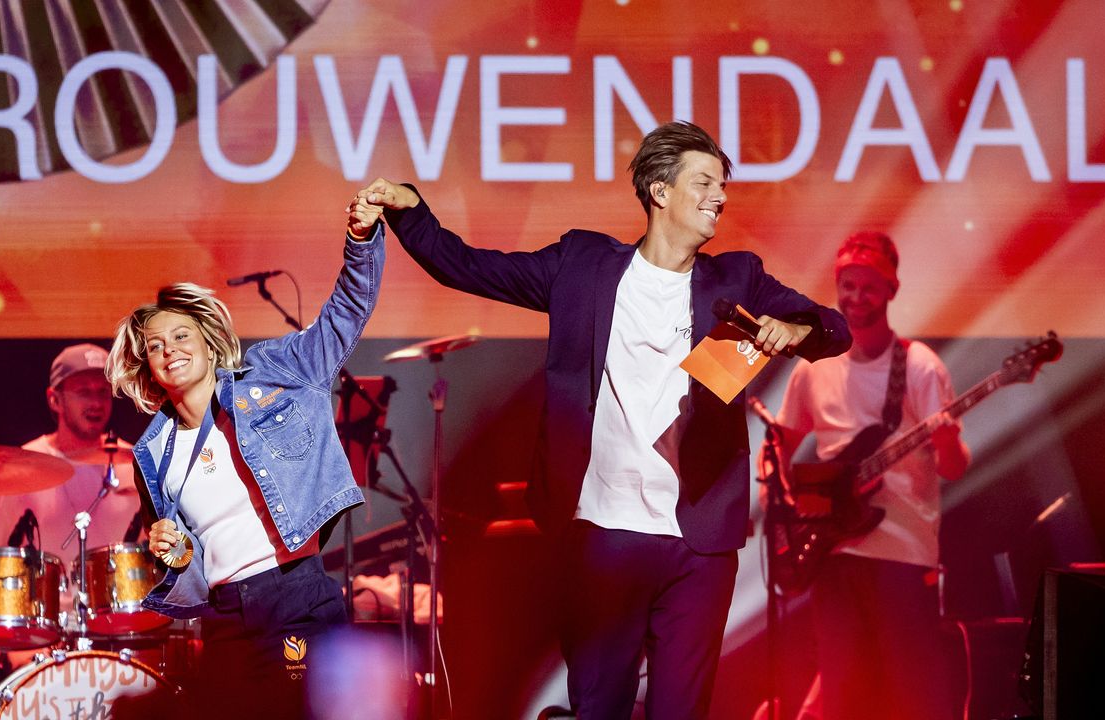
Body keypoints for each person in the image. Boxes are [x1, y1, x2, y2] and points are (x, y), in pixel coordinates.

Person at [350, 121, 851, 719]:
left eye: (723, 185)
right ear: (660, 192)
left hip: (699, 545)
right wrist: (410, 213)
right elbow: (469, 267)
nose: (720, 195)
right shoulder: (583, 266)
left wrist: (796, 330)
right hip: (601, 538)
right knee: (598, 707)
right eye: (705, 182)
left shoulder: (735, 278)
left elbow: (833, 328)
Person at [106, 214, 384, 718]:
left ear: (209, 344)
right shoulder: (152, 452)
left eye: (182, 336)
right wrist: (172, 551)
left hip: (294, 595)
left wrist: (361, 241)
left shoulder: (273, 376)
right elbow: (185, 556)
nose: (170, 351)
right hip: (226, 617)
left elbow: (345, 312)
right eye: (155, 346)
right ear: (146, 365)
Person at [770, 231, 970, 720]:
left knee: (914, 696)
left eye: (869, 287)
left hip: (904, 556)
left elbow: (955, 467)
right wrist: (789, 503)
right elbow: (780, 441)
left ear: (891, 289)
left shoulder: (919, 366)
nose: (856, 297)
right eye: (848, 285)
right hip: (834, 555)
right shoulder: (815, 366)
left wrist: (945, 441)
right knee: (844, 697)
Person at [0, 343, 139, 570]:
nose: (96, 403)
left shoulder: (136, 464)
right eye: (83, 392)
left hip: (122, 604)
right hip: (43, 604)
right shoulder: (21, 467)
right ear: (54, 399)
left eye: (103, 392)